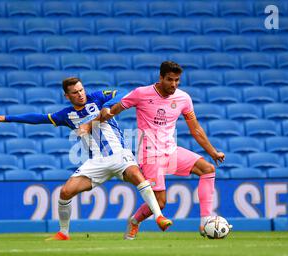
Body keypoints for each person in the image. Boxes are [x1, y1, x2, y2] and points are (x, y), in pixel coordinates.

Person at [0, 77, 173, 240]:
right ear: (67, 96)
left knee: (137, 176)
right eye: (75, 92)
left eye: (81, 90)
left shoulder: (98, 97)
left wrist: (106, 108)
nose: (80, 94)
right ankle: (64, 232)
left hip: (119, 154)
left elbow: (125, 93)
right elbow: (38, 118)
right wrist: (7, 118)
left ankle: (158, 217)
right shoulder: (65, 115)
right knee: (65, 192)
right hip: (96, 162)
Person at [81, 61, 225, 239]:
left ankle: (205, 221)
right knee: (160, 203)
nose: (173, 84)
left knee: (208, 169)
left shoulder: (183, 98)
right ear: (161, 78)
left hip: (171, 150)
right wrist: (93, 122)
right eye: (170, 80)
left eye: (177, 80)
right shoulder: (142, 93)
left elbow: (195, 129)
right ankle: (134, 221)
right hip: (149, 155)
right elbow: (116, 109)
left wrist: (212, 152)